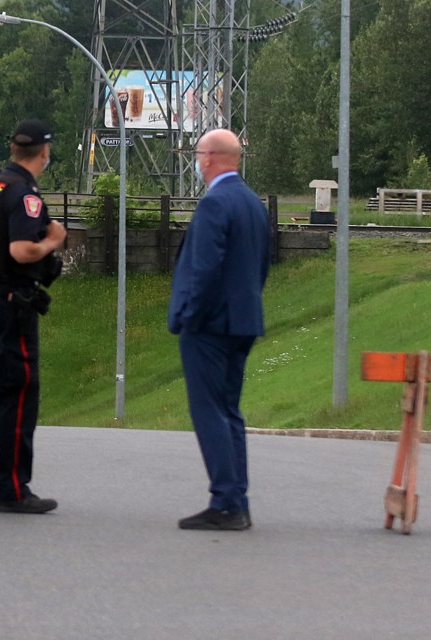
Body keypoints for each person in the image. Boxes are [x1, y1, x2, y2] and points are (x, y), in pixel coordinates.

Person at [0, 118, 67, 514]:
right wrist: (55, 239)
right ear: (44, 152)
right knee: (17, 392)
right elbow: (22, 250)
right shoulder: (23, 193)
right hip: (10, 301)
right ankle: (12, 489)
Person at [167, 128, 270, 531]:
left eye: (197, 154)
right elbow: (259, 265)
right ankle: (236, 498)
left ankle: (226, 501)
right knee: (229, 410)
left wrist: (188, 315)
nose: (196, 161)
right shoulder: (251, 203)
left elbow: (203, 269)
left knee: (209, 410)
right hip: (243, 320)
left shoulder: (214, 204)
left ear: (209, 157)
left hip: (210, 325)